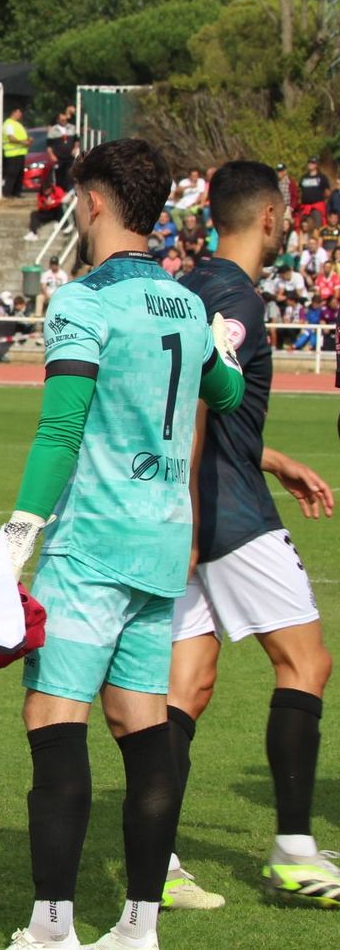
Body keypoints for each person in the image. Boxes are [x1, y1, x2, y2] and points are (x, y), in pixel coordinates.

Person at [0, 138, 245, 950]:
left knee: (54, 717)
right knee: (141, 723)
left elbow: (61, 427)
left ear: (93, 200)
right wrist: (222, 351)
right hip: (162, 546)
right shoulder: (187, 305)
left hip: (92, 543)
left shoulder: (83, 301)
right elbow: (225, 391)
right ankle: (138, 928)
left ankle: (51, 927)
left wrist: (19, 529)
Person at [162, 160, 340, 909]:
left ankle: (158, 856)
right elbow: (200, 402)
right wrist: (202, 519)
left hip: (193, 510)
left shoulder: (193, 285)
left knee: (187, 688)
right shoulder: (232, 297)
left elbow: (189, 405)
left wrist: (270, 456)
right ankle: (295, 852)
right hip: (225, 515)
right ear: (269, 217)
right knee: (307, 661)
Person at [47, 105, 79, 191]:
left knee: (69, 175)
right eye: (62, 120)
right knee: (59, 175)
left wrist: (75, 148)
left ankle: (69, 191)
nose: (64, 121)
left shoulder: (72, 128)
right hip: (58, 157)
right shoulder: (53, 130)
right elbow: (49, 145)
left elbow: (76, 140)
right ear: (58, 120)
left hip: (70, 156)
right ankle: (59, 192)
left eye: (65, 120)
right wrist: (51, 155)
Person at [2, 107, 30, 198]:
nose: (20, 114)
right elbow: (11, 138)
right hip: (12, 153)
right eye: (19, 112)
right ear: (13, 112)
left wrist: (28, 141)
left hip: (20, 152)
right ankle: (7, 193)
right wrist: (23, 142)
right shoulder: (8, 124)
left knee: (19, 174)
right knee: (11, 174)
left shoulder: (17, 124)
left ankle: (16, 193)